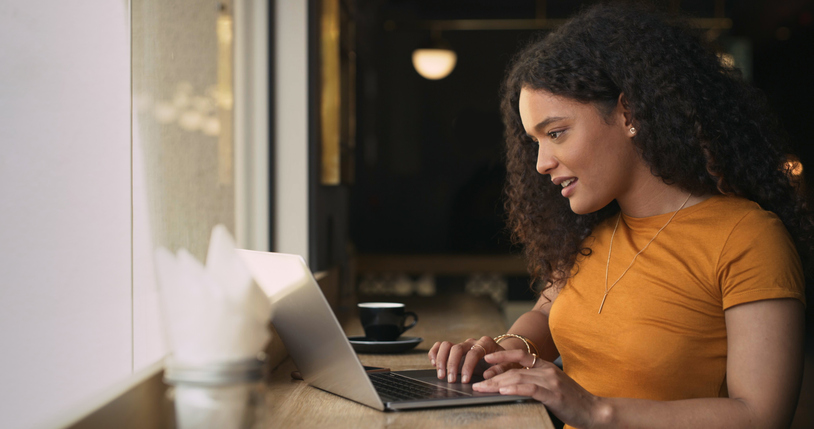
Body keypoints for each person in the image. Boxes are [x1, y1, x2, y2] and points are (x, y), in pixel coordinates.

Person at [428, 3, 811, 428]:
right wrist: (496, 351)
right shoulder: (591, 231)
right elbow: (544, 317)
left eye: (556, 133)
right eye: (535, 141)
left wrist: (594, 409)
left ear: (629, 114)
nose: (540, 163)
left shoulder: (747, 238)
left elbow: (761, 416)